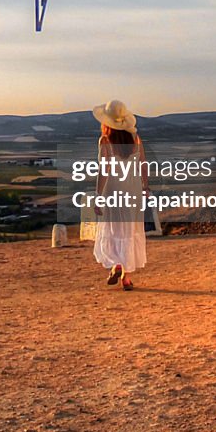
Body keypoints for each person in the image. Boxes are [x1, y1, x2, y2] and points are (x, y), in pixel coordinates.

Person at [91, 99, 148, 291]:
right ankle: (126, 276)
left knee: (114, 229)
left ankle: (116, 264)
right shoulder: (135, 140)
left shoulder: (105, 141)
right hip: (132, 191)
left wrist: (98, 195)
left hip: (113, 191)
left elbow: (104, 171)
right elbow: (143, 165)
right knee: (129, 232)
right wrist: (145, 188)